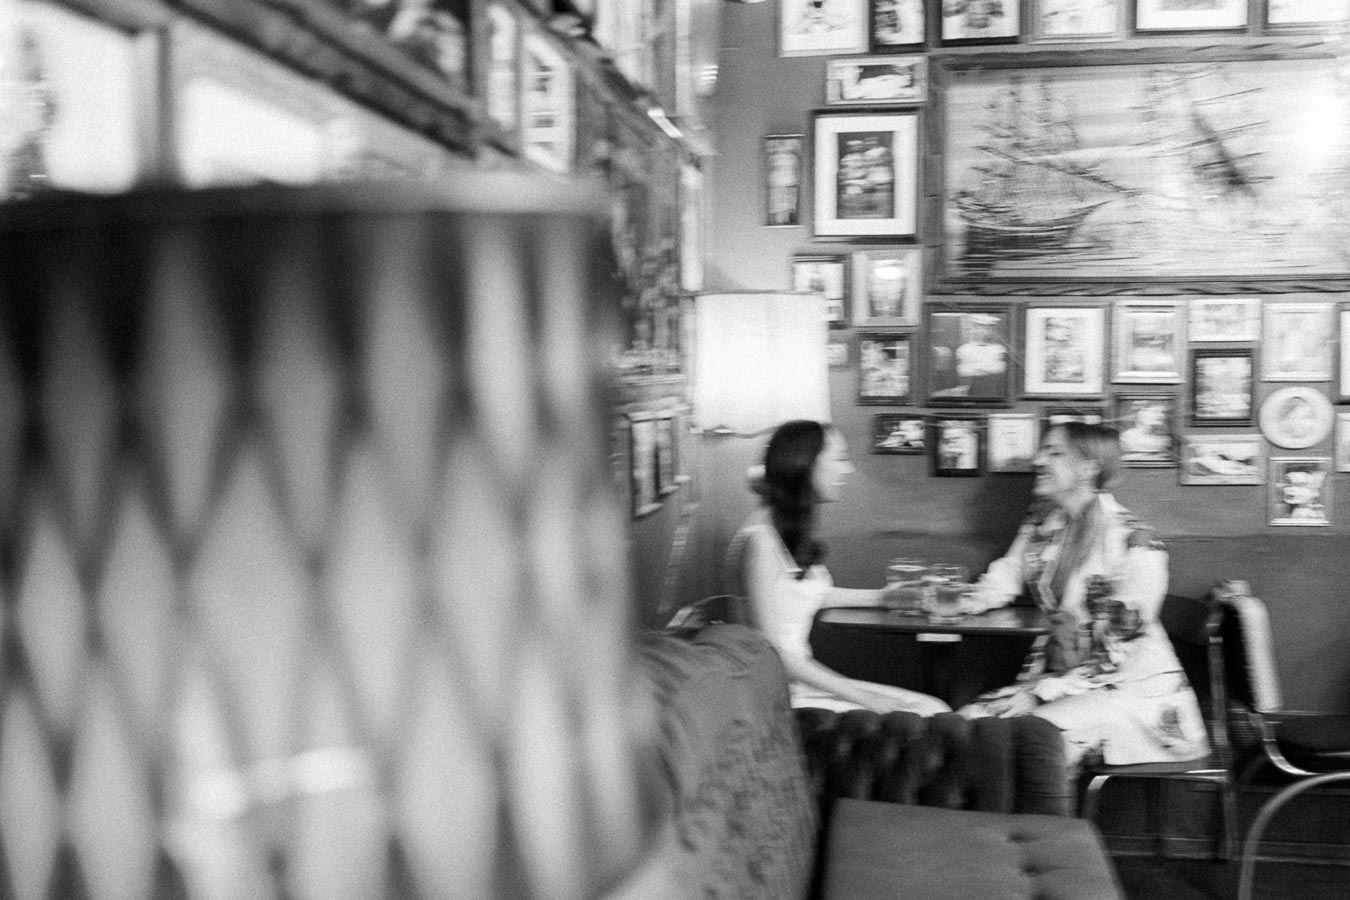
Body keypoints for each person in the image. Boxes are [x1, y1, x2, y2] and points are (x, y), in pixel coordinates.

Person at [959, 422, 1208, 769]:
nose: (1038, 461)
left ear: (1089, 467)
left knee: (1027, 744)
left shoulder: (1136, 541)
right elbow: (1002, 581)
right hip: (1057, 682)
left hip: (1131, 695)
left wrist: (1037, 695)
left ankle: (1042, 824)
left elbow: (1119, 648)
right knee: (964, 725)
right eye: (1043, 451)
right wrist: (953, 601)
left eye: (1055, 453)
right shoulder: (1042, 526)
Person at [725, 420, 949, 715]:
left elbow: (810, 595)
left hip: (799, 685)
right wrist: (867, 699)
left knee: (934, 708)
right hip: (776, 698)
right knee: (930, 714)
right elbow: (775, 654)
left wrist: (889, 596)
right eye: (840, 458)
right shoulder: (760, 542)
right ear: (806, 464)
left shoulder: (785, 531)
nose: (848, 470)